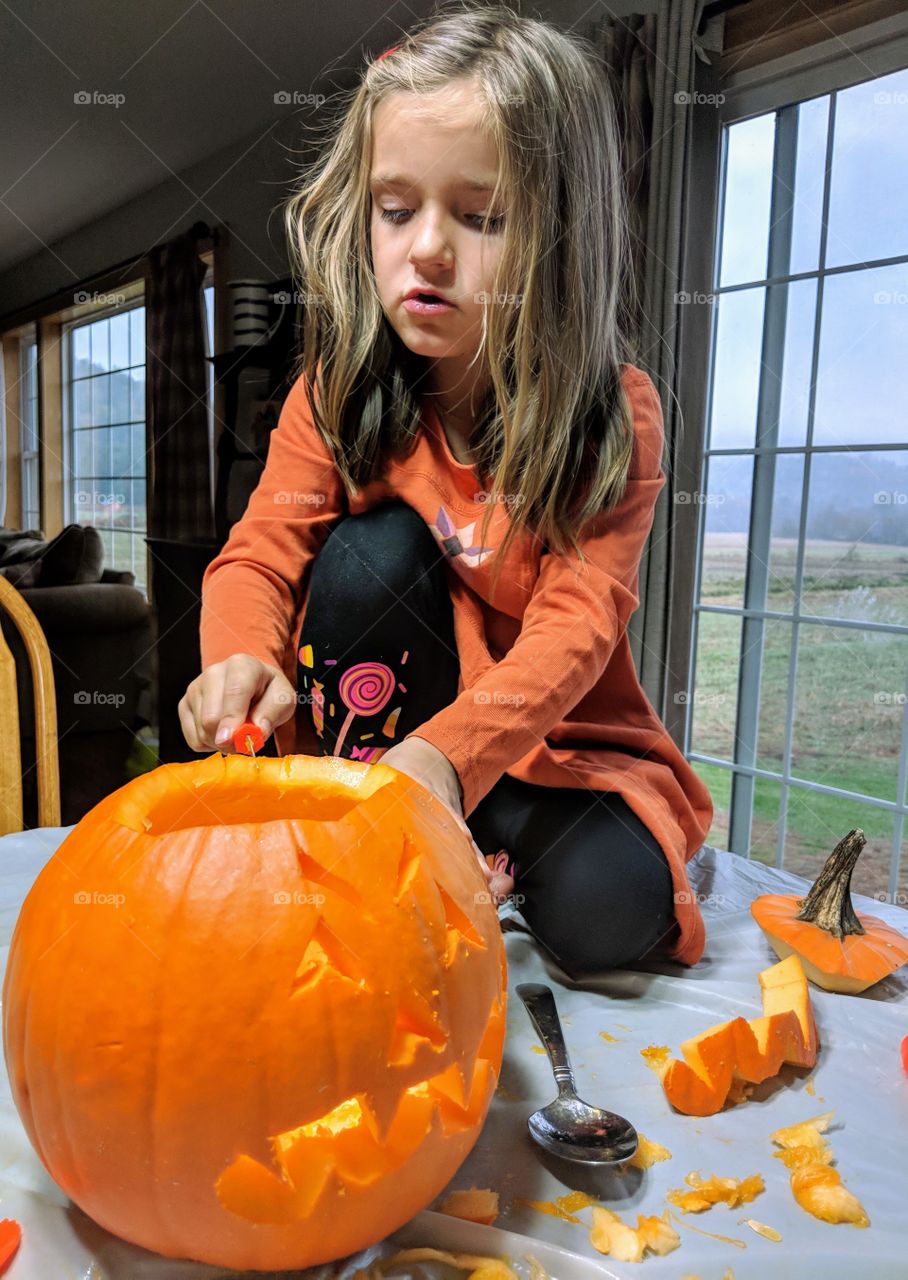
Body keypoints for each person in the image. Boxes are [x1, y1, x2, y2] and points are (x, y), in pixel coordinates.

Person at [180, 3, 713, 979]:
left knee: (611, 921)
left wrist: (446, 761)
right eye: (396, 209)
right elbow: (259, 553)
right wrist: (237, 658)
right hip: (378, 737)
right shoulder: (333, 394)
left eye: (480, 217)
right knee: (368, 553)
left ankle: (487, 843)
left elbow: (574, 626)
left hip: (542, 748)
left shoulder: (619, 415)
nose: (427, 247)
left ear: (560, 241)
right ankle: (387, 818)